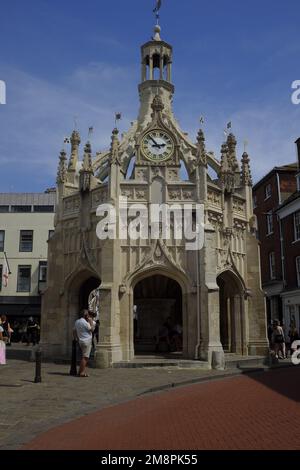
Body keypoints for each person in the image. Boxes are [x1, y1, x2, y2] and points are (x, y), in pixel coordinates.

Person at [73, 310, 95, 377]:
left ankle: (80, 372)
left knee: (84, 356)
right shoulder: (85, 323)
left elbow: (74, 331)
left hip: (81, 340)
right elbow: (92, 329)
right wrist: (91, 323)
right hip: (87, 341)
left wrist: (76, 338)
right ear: (85, 315)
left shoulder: (77, 321)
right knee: (85, 357)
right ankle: (81, 372)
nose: (88, 316)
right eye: (87, 314)